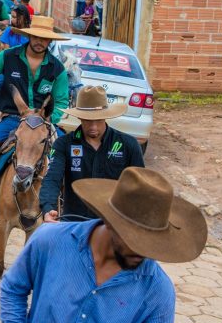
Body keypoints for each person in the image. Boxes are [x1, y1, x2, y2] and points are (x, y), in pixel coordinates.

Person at [0, 167, 208, 323]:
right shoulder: (50, 241)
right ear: (110, 221)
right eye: (135, 240)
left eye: (153, 244)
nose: (145, 252)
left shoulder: (157, 292)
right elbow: (13, 288)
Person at [0, 16, 70, 237]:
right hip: (12, 119)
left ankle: (63, 213)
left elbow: (61, 102)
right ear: (29, 36)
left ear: (49, 42)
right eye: (36, 37)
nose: (40, 42)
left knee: (68, 161)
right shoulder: (9, 56)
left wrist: (48, 120)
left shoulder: (57, 68)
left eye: (45, 39)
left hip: (44, 123)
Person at [40, 86, 144, 223]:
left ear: (106, 117)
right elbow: (52, 178)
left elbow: (140, 186)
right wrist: (48, 208)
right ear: (79, 118)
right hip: (74, 223)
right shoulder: (63, 144)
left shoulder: (129, 145)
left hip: (114, 224)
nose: (94, 127)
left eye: (99, 120)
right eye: (88, 120)